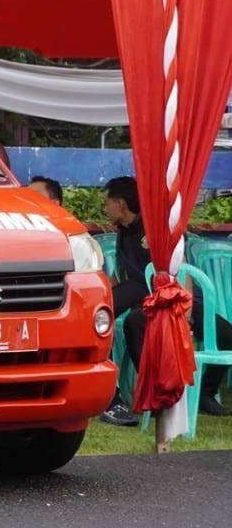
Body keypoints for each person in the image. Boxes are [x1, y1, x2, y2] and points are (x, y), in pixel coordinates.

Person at [98, 176, 232, 426]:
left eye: (108, 203)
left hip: (178, 298)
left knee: (227, 335)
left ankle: (205, 393)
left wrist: (187, 306)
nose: (105, 209)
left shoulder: (156, 227)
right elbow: (121, 272)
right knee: (110, 319)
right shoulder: (124, 232)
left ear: (120, 203)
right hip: (143, 296)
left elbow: (181, 267)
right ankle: (150, 393)